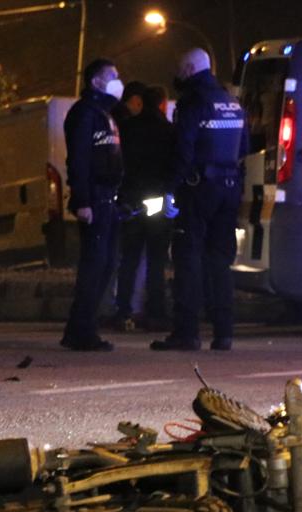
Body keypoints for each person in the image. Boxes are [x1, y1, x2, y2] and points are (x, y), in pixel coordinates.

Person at [151, 48, 248, 352]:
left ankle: (187, 332)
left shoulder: (192, 103)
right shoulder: (232, 102)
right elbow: (243, 146)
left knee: (188, 258)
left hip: (197, 188)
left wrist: (169, 188)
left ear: (191, 68)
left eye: (180, 68)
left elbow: (183, 151)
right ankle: (223, 333)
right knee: (219, 261)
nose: (177, 74)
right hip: (230, 187)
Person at [60, 58, 125, 352]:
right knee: (94, 266)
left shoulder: (105, 114)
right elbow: (79, 160)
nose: (117, 80)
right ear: (95, 82)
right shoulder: (84, 114)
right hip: (95, 199)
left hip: (108, 200)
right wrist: (83, 200)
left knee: (107, 264)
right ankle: (82, 332)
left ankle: (80, 327)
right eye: (111, 76)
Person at [114, 85, 175, 330]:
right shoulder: (169, 131)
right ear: (162, 104)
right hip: (158, 203)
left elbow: (120, 163)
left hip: (132, 201)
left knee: (129, 259)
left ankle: (123, 310)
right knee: (156, 261)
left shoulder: (128, 128)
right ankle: (156, 313)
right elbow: (173, 165)